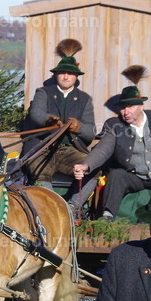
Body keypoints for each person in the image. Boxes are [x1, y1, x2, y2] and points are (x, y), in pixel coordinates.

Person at [72, 65, 151, 221]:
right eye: (122, 107)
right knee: (116, 175)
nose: (125, 112)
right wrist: (86, 165)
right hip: (133, 175)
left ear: (141, 106)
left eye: (130, 106)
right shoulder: (114, 125)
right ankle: (107, 216)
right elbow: (103, 149)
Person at [21, 39, 95, 192]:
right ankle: (49, 211)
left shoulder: (85, 99)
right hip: (41, 147)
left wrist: (78, 127)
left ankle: (74, 208)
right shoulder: (43, 92)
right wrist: (48, 120)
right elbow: (36, 114)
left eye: (70, 73)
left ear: (76, 76)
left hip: (69, 150)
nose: (66, 76)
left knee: (92, 168)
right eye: (62, 73)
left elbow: (90, 132)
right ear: (56, 75)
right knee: (39, 172)